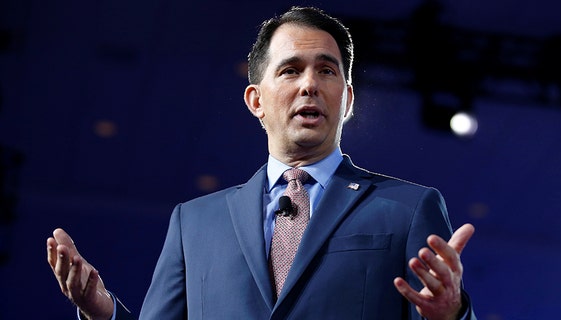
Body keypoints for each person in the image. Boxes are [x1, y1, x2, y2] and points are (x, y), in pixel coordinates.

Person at [47, 6, 477, 320]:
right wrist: (102, 313)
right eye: (291, 70)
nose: (310, 84)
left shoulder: (407, 208)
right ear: (256, 100)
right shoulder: (193, 224)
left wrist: (451, 314)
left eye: (326, 71)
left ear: (347, 99)